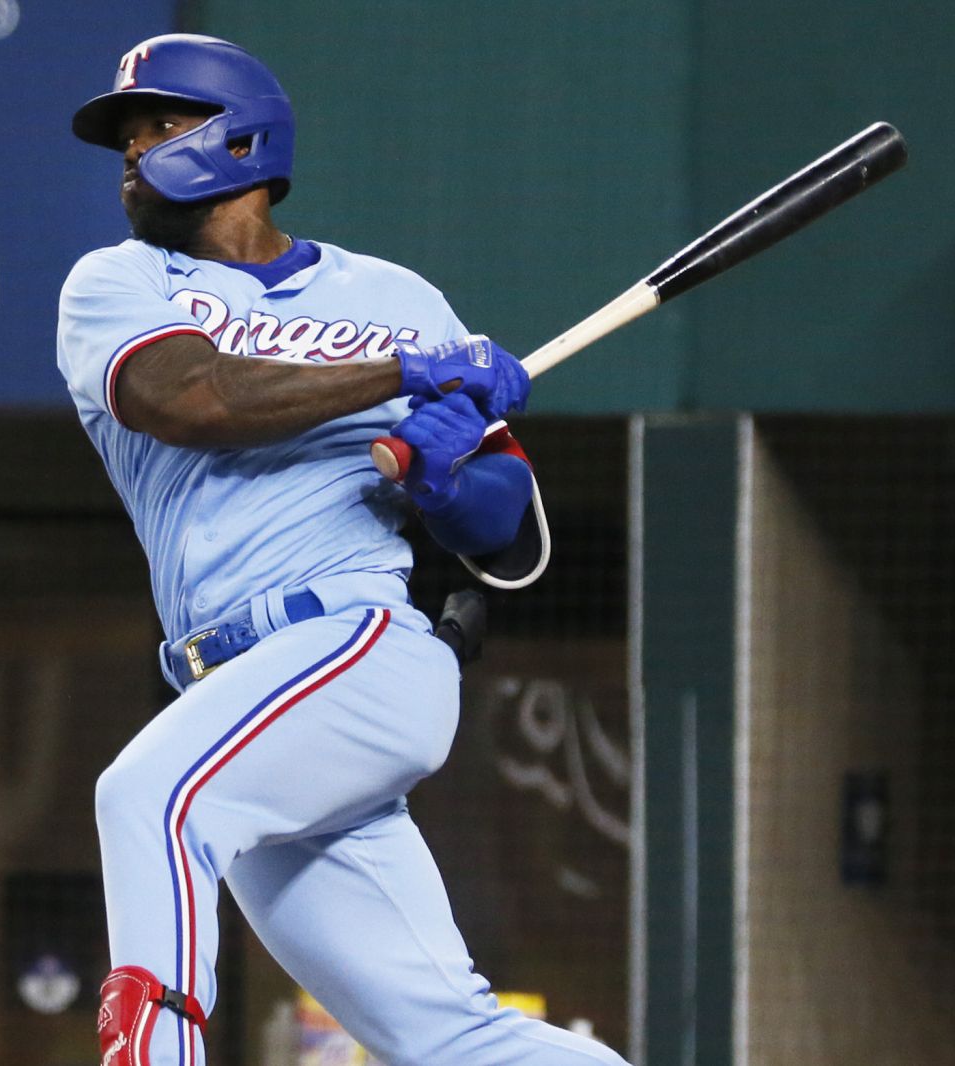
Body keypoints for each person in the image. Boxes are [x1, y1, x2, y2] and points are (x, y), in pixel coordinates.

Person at [57, 34, 625, 1066]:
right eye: (125, 137)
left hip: (354, 645)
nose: (132, 152)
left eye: (159, 125)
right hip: (238, 696)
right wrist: (398, 372)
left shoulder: (393, 294)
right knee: (448, 1037)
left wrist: (445, 482)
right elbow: (196, 397)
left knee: (147, 797)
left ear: (243, 140)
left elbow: (509, 529)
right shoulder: (116, 282)